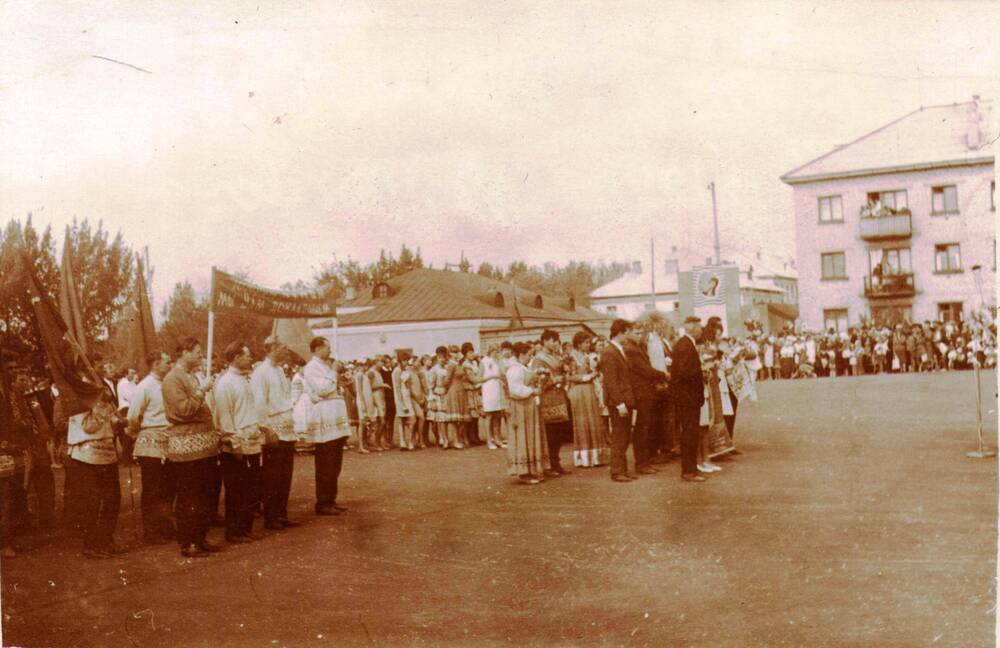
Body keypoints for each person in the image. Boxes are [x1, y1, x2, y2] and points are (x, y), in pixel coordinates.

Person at [162, 337, 223, 558]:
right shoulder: (172, 379)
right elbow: (183, 411)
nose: (200, 356)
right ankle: (188, 542)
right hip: (187, 448)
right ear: (184, 353)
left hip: (202, 446)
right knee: (190, 496)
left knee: (204, 494)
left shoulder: (191, 376)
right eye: (197, 352)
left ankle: (200, 537)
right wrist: (201, 392)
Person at [213, 342, 265, 544]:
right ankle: (234, 531)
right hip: (235, 444)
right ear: (236, 358)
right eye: (247, 355)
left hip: (251, 440)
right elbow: (225, 417)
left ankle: (244, 528)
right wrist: (233, 444)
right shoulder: (226, 383)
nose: (251, 358)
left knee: (251, 488)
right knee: (236, 490)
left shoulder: (244, 380)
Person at [250, 336, 300, 531]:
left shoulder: (279, 369)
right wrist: (266, 428)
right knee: (273, 476)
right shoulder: (260, 373)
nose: (286, 352)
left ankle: (281, 513)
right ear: (271, 348)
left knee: (285, 474)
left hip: (286, 425)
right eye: (282, 348)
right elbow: (260, 404)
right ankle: (271, 517)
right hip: (273, 427)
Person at [67, 391, 125, 558]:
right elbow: (89, 427)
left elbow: (112, 424)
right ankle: (91, 545)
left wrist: (118, 421)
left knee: (112, 499)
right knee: (92, 502)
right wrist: (100, 405)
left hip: (107, 452)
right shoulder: (77, 398)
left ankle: (106, 540)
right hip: (87, 455)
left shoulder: (103, 397)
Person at [127, 350, 176, 544]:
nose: (170, 365)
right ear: (155, 364)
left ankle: (164, 525)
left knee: (168, 488)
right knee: (152, 489)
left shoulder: (168, 383)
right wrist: (139, 432)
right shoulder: (144, 386)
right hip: (151, 442)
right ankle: (151, 530)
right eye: (166, 362)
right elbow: (132, 415)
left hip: (169, 440)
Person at [302, 337, 351, 516]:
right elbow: (322, 389)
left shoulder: (326, 366)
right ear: (317, 348)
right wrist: (334, 372)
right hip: (325, 415)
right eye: (327, 348)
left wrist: (340, 376)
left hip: (335, 413)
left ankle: (331, 498)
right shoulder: (311, 368)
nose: (330, 351)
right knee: (326, 461)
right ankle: (323, 501)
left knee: (335, 461)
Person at [598, 319, 637, 482]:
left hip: (624, 399)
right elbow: (611, 381)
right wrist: (620, 403)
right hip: (618, 401)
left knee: (624, 436)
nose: (628, 336)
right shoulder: (609, 352)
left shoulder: (617, 350)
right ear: (620, 332)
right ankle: (617, 471)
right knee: (620, 436)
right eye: (627, 332)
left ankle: (622, 470)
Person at [504, 342, 548, 484]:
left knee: (530, 436)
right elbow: (514, 389)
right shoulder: (514, 369)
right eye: (529, 355)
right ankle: (524, 472)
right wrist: (532, 391)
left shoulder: (522, 367)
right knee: (523, 436)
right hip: (520, 406)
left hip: (528, 405)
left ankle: (531, 468)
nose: (530, 358)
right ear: (521, 354)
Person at [670, 316, 707, 483]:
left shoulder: (685, 343)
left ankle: (691, 467)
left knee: (690, 433)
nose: (701, 330)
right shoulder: (685, 345)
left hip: (688, 397)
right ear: (691, 327)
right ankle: (689, 471)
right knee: (689, 434)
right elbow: (684, 373)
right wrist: (701, 372)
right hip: (688, 398)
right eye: (699, 327)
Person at [532, 330, 571, 477]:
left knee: (559, 432)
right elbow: (537, 380)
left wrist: (565, 372)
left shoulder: (555, 356)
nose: (556, 344)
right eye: (554, 341)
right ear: (546, 341)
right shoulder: (539, 359)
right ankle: (548, 465)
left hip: (559, 397)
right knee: (550, 433)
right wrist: (554, 380)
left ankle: (556, 462)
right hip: (547, 399)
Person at [480, 346, 507, 449]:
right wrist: (492, 377)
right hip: (488, 389)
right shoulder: (484, 361)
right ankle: (489, 440)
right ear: (490, 351)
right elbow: (479, 377)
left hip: (497, 390)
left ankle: (497, 439)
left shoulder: (498, 361)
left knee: (497, 414)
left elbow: (502, 373)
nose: (496, 353)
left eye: (497, 351)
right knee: (489, 415)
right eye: (494, 351)